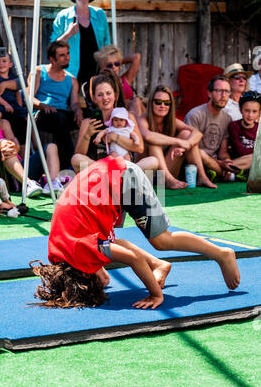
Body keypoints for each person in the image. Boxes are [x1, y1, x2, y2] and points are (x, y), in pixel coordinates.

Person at [30, 156, 240, 310]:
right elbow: (105, 247)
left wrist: (155, 294)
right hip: (102, 180)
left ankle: (221, 254)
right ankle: (159, 265)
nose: (106, 283)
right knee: (113, 244)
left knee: (161, 240)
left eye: (99, 284)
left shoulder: (82, 250)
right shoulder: (59, 254)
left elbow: (133, 258)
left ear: (83, 273)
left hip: (123, 178)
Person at [0, 92, 62, 197]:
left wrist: (12, 146)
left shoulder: (2, 123)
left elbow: (16, 145)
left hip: (18, 167)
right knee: (3, 150)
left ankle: (53, 183)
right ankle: (27, 183)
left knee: (51, 147)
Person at [71, 70, 157, 173]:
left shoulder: (127, 116)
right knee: (76, 159)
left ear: (115, 95)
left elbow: (139, 148)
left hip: (124, 167)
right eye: (100, 95)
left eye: (108, 93)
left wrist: (115, 137)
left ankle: (121, 174)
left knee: (153, 161)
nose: (105, 98)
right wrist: (87, 135)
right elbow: (79, 154)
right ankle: (110, 172)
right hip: (101, 171)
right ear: (94, 99)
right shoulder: (87, 122)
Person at [138, 85, 216, 189]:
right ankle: (169, 180)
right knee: (154, 142)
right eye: (158, 102)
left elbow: (197, 133)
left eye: (166, 103)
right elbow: (148, 136)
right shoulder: (143, 119)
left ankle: (202, 177)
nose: (162, 105)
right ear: (151, 103)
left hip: (166, 171)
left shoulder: (171, 121)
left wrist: (186, 145)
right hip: (148, 173)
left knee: (186, 134)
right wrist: (178, 142)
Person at [28, 40, 83, 170]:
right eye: (62, 55)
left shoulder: (72, 80)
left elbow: (74, 103)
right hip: (42, 114)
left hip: (62, 115)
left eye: (68, 53)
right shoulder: (39, 72)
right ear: (52, 59)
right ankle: (69, 164)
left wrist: (78, 110)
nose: (67, 57)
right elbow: (29, 97)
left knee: (87, 119)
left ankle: (83, 161)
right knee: (59, 118)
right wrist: (43, 105)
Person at [50, 0, 110, 85]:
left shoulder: (100, 14)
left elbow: (107, 44)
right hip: (71, 73)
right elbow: (52, 48)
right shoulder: (63, 16)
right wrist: (68, 34)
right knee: (73, 100)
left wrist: (106, 68)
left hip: (96, 71)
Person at [185, 75, 235, 181]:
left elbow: (222, 152)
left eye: (227, 91)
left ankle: (220, 173)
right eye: (219, 91)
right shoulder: (195, 115)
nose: (223, 95)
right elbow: (192, 150)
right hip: (194, 162)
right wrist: (219, 164)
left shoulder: (227, 118)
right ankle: (221, 174)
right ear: (209, 93)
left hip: (214, 162)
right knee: (201, 153)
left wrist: (227, 161)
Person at [0, 53, 27, 158]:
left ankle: (32, 143)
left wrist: (19, 106)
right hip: (1, 104)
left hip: (14, 104)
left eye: (4, 61)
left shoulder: (13, 78)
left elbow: (17, 93)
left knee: (27, 117)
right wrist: (6, 104)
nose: (1, 64)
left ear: (10, 64)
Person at [94, 45, 146, 117]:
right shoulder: (97, 82)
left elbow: (136, 57)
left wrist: (118, 60)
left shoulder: (125, 79)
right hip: (115, 118)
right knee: (136, 101)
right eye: (109, 65)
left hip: (132, 115)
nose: (114, 67)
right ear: (102, 66)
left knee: (137, 101)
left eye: (116, 64)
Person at [227, 91, 261, 175]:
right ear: (240, 110)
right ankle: (227, 171)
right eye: (247, 111)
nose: (250, 115)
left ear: (259, 113)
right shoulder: (234, 126)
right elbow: (240, 151)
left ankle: (230, 174)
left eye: (254, 111)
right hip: (239, 162)